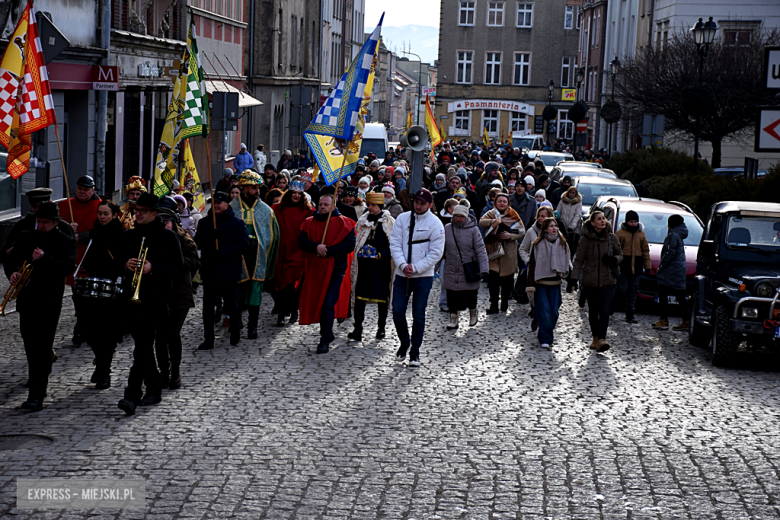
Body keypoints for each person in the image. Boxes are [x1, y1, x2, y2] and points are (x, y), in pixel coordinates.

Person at [5, 202, 76, 411]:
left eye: (46, 222)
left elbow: (66, 267)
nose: (42, 225)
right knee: (30, 342)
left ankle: (37, 395)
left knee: (42, 345)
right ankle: (37, 378)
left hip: (49, 299)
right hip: (27, 298)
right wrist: (13, 273)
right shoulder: (28, 236)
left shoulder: (65, 240)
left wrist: (44, 259)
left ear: (55, 222)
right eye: (40, 221)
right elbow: (10, 257)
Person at [116, 193, 184, 415]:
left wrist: (152, 268)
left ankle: (131, 395)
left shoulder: (168, 237)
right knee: (144, 349)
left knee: (142, 349)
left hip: (155, 300)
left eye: (143, 211)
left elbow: (178, 267)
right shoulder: (128, 236)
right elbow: (116, 263)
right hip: (131, 300)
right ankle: (154, 388)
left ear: (154, 213)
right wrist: (126, 264)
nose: (138, 213)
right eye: (137, 210)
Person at [388, 189, 445, 367]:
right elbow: (395, 243)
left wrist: (417, 267)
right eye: (416, 202)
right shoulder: (403, 219)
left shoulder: (436, 223)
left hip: (423, 275)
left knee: (418, 314)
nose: (418, 206)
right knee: (397, 310)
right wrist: (403, 265)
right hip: (402, 273)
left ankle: (415, 351)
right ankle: (405, 341)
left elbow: (436, 253)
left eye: (422, 203)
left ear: (429, 205)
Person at [298, 193, 357, 353]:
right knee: (317, 301)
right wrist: (316, 247)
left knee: (327, 303)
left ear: (333, 206)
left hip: (336, 270)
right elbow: (302, 241)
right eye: (321, 204)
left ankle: (324, 338)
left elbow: (349, 245)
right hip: (315, 269)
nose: (322, 207)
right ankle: (328, 333)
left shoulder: (344, 223)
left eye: (326, 205)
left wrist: (329, 251)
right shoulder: (309, 222)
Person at [194, 191, 250, 350]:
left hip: (229, 270)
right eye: (214, 202)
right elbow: (197, 243)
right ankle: (208, 338)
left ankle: (235, 330)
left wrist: (224, 252)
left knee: (232, 303)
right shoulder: (205, 223)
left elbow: (244, 245)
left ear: (227, 205)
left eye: (220, 202)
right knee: (208, 306)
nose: (216, 205)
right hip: (210, 270)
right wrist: (209, 236)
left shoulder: (237, 223)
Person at [78, 200, 123, 390]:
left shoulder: (121, 235)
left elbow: (123, 259)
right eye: (100, 213)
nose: (102, 217)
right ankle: (100, 360)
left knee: (107, 333)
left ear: (114, 215)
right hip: (93, 286)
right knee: (87, 329)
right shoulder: (94, 232)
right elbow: (88, 256)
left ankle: (104, 372)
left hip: (112, 287)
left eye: (106, 214)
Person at [230, 170, 280, 340]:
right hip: (237, 256)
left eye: (258, 187)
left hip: (258, 256)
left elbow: (274, 237)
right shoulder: (231, 208)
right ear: (243, 188)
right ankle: (236, 322)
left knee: (255, 291)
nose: (257, 191)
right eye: (253, 187)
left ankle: (253, 326)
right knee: (236, 291)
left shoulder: (266, 211)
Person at [153, 208, 199, 389]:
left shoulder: (184, 239)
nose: (164, 225)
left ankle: (175, 371)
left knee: (172, 334)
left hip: (179, 294)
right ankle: (163, 373)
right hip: (158, 294)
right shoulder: (153, 238)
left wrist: (175, 263)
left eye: (167, 222)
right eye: (161, 222)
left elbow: (195, 262)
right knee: (160, 337)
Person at [570, 210, 622, 353]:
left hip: (608, 280)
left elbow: (620, 255)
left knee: (605, 310)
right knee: (593, 311)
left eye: (603, 218)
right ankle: (595, 338)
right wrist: (574, 278)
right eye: (599, 219)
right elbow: (579, 260)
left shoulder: (612, 238)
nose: (602, 221)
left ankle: (602, 339)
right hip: (590, 281)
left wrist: (614, 260)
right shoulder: (585, 240)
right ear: (592, 223)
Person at [58, 175, 102, 347]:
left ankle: (86, 326)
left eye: (86, 189)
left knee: (90, 294)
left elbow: (102, 230)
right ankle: (81, 326)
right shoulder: (65, 205)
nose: (82, 192)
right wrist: (68, 228)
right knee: (77, 294)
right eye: (79, 189)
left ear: (92, 190)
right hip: (73, 255)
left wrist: (79, 236)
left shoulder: (100, 207)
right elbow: (54, 226)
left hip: (91, 255)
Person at [348, 192, 395, 341]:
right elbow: (358, 240)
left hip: (380, 267)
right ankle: (358, 328)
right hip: (363, 265)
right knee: (359, 296)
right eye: (369, 205)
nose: (370, 208)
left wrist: (380, 255)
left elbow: (393, 245)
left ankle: (381, 328)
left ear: (380, 206)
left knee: (381, 298)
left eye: (373, 205)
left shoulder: (388, 222)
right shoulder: (363, 221)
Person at [271, 179, 314, 326]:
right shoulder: (277, 208)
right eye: (293, 193)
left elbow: (317, 221)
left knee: (288, 284)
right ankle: (293, 310)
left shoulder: (307, 210)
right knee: (281, 282)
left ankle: (283, 314)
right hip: (280, 251)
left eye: (298, 193)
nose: (296, 196)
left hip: (297, 252)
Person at [442, 204, 489, 329]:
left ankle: (473, 312)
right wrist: (433, 268)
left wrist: (484, 269)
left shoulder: (474, 230)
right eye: (456, 216)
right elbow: (440, 249)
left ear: (466, 216)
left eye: (461, 217)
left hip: (469, 268)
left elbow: (480, 250)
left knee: (470, 294)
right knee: (451, 294)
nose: (458, 219)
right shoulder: (447, 228)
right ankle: (453, 319)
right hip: (451, 267)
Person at [526, 218, 570, 348]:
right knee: (544, 311)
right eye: (551, 226)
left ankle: (546, 330)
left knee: (554, 312)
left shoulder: (563, 243)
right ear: (545, 228)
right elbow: (532, 265)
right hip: (541, 282)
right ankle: (545, 338)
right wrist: (530, 284)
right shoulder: (537, 244)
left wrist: (571, 279)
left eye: (555, 226)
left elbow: (568, 262)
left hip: (556, 282)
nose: (554, 228)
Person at [1, 188, 74, 265]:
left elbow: (68, 262)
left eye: (41, 207)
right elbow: (6, 253)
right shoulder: (22, 225)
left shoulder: (64, 228)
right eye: (34, 207)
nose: (38, 210)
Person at [480, 193, 525, 314]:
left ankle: (504, 303)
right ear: (495, 202)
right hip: (493, 250)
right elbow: (481, 222)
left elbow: (521, 231)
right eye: (499, 201)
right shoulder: (491, 213)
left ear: (508, 203)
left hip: (508, 251)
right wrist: (493, 222)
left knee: (507, 280)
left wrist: (510, 236)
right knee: (493, 280)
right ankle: (494, 304)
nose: (502, 203)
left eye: (504, 201)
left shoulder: (513, 214)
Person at [653, 214, 690, 331]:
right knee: (680, 295)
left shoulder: (673, 235)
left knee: (663, 293)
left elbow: (669, 253)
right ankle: (687, 320)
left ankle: (664, 320)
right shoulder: (680, 234)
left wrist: (662, 265)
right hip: (678, 270)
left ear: (669, 225)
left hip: (670, 271)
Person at [615, 210, 651, 324]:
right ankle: (611, 306)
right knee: (621, 289)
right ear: (627, 222)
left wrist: (648, 266)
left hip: (637, 267)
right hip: (623, 266)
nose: (633, 224)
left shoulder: (641, 234)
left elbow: (645, 251)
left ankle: (630, 314)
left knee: (632, 291)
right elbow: (615, 250)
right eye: (631, 221)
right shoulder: (619, 234)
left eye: (635, 221)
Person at [557, 186, 583, 259]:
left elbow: (578, 214)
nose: (571, 194)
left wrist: (572, 226)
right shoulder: (562, 201)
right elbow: (558, 211)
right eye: (570, 192)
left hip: (573, 230)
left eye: (573, 193)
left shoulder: (578, 202)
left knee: (571, 247)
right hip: (563, 226)